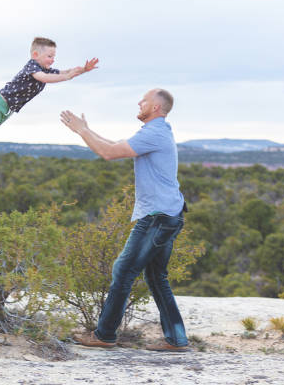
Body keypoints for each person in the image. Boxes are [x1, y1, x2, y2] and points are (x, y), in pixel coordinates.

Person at [61, 88, 189, 352]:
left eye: (144, 100)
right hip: (168, 215)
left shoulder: (154, 133)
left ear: (155, 107)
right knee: (156, 276)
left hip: (157, 217)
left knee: (123, 270)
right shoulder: (156, 132)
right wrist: (87, 129)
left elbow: (108, 154)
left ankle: (105, 334)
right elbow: (112, 145)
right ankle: (176, 339)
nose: (139, 103)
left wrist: (81, 132)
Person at [0, 37, 98, 169]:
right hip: (0, 103)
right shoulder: (33, 67)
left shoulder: (45, 69)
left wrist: (83, 69)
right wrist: (67, 77)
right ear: (36, 54)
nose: (53, 60)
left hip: (6, 109)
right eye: (49, 56)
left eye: (54, 56)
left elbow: (65, 72)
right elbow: (45, 78)